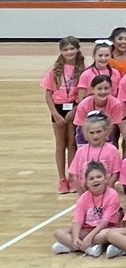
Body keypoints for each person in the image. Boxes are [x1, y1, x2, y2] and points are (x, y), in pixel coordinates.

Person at [42, 36, 83, 193]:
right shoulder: (55, 71)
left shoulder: (82, 69)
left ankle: (72, 177)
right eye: (65, 49)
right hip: (58, 110)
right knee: (60, 145)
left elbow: (83, 93)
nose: (69, 52)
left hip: (74, 109)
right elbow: (47, 95)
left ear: (77, 49)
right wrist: (55, 114)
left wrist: (75, 110)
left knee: (72, 143)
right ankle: (61, 179)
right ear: (61, 51)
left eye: (72, 48)